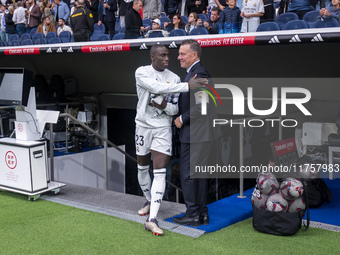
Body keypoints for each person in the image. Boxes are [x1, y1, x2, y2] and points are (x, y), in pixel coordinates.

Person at [135, 44, 208, 236]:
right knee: (142, 168)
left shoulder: (179, 77)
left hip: (166, 129)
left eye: (175, 54)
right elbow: (155, 87)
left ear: (194, 54)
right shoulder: (142, 72)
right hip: (143, 126)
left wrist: (165, 106)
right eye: (164, 55)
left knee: (164, 172)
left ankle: (154, 218)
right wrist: (187, 86)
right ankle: (151, 200)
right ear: (152, 57)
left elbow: (180, 108)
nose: (171, 58)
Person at [174, 39, 219, 226]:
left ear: (195, 54)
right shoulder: (194, 73)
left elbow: (201, 106)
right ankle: (201, 213)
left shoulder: (199, 73)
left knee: (189, 175)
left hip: (195, 134)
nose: (179, 57)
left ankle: (193, 214)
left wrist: (181, 119)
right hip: (200, 134)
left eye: (183, 54)